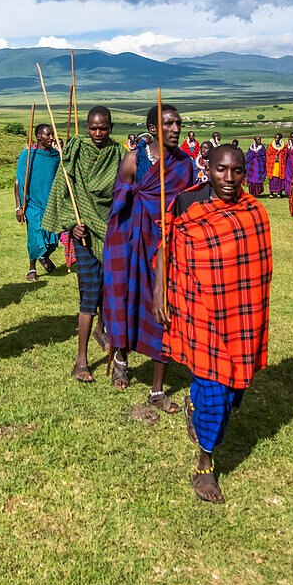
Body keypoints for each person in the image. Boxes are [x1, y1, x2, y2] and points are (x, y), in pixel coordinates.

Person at [158, 144, 271, 503]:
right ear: (207, 167)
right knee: (214, 384)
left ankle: (195, 405)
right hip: (197, 306)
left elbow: (258, 267)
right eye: (221, 169)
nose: (229, 178)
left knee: (232, 384)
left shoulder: (253, 211)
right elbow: (165, 245)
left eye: (237, 171)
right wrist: (161, 290)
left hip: (239, 311)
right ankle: (205, 463)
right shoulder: (187, 203)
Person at [103, 105, 193, 405]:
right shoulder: (134, 159)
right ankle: (121, 360)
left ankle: (157, 389)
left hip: (165, 247)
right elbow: (119, 197)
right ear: (154, 129)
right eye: (169, 123)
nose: (176, 129)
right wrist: (134, 196)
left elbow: (187, 207)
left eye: (178, 123)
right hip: (131, 241)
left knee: (163, 309)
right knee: (126, 300)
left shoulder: (185, 164)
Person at [42, 106, 122, 382]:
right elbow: (63, 191)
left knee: (111, 292)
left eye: (103, 128)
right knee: (89, 294)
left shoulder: (120, 154)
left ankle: (104, 329)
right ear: (87, 127)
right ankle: (81, 359)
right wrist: (70, 224)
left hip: (111, 232)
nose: (97, 133)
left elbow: (125, 193)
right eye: (93, 128)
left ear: (111, 127)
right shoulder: (76, 153)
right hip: (84, 234)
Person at [14, 123, 60, 281]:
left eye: (52, 134)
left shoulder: (55, 156)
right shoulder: (27, 156)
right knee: (35, 233)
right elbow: (18, 182)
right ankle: (32, 267)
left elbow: (60, 178)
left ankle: (44, 256)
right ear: (39, 136)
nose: (51, 138)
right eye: (48, 135)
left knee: (52, 235)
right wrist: (18, 207)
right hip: (32, 203)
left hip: (50, 202)